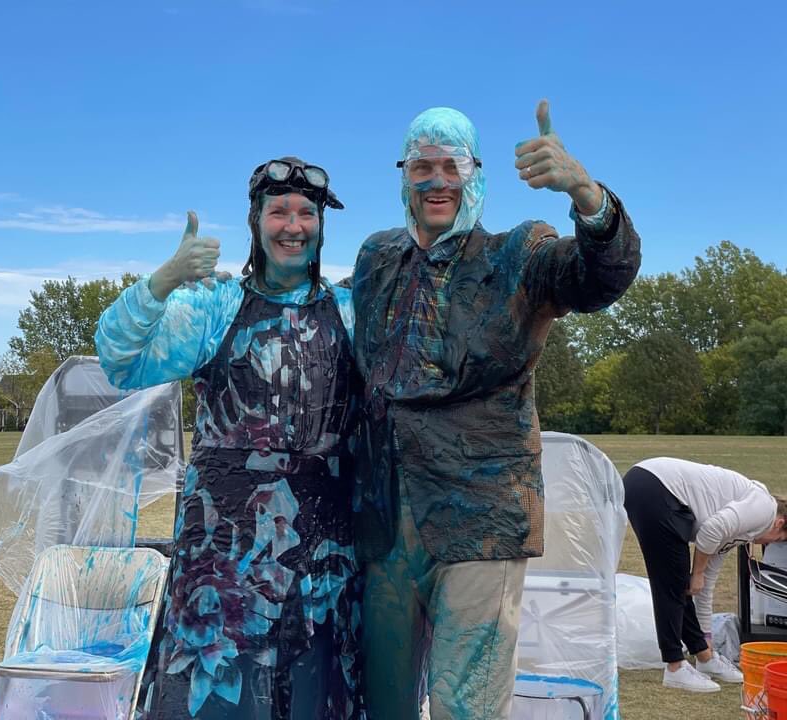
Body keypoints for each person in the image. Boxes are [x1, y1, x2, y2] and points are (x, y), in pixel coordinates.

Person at [351, 102, 641, 719]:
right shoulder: (375, 259)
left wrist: (587, 197)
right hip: (385, 524)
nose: (436, 180)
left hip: (480, 517)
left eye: (451, 165)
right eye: (421, 165)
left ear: (475, 172)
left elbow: (598, 279)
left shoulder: (519, 253)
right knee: (383, 706)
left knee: (467, 706)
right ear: (403, 175)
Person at [95, 157, 363, 719]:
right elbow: (121, 361)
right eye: (279, 211)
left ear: (322, 224)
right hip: (222, 566)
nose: (293, 225)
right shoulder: (214, 305)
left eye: (306, 213)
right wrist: (164, 280)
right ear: (255, 222)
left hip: (324, 565)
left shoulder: (349, 309)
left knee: (314, 699)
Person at [623, 456, 787, 692]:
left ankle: (705, 658)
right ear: (779, 524)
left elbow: (705, 585)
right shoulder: (762, 509)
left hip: (653, 486)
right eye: (779, 540)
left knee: (680, 584)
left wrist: (706, 636)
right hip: (654, 486)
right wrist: (696, 572)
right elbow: (710, 531)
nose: (770, 545)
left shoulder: (742, 528)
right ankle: (675, 667)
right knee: (671, 584)